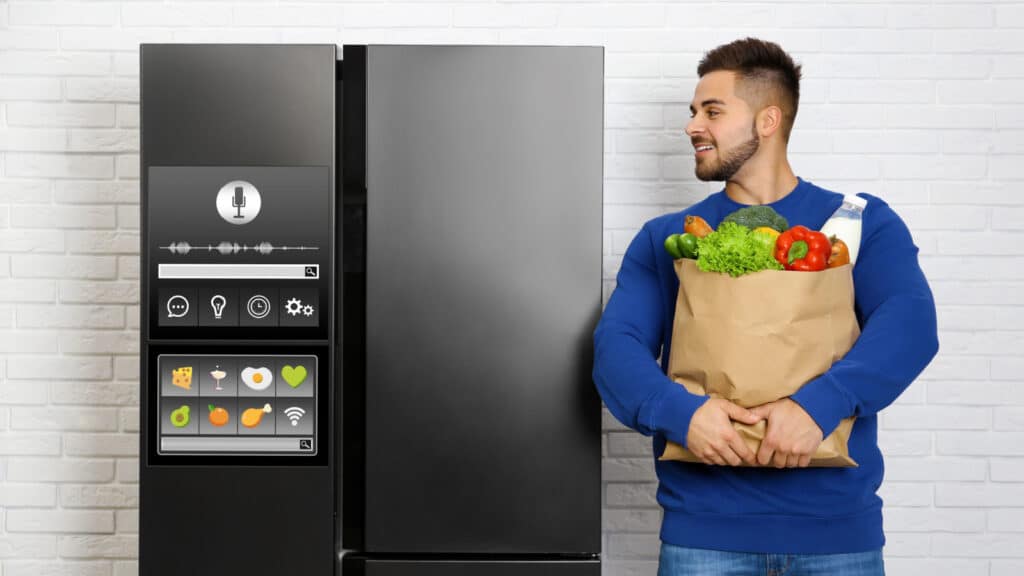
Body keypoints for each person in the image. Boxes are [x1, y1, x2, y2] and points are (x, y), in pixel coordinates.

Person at [592, 38, 939, 576]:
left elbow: (910, 324)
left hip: (837, 535)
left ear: (768, 120)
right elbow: (616, 348)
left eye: (712, 110)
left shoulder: (858, 224)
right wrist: (681, 414)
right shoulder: (667, 239)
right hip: (702, 536)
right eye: (692, 112)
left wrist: (818, 407)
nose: (691, 126)